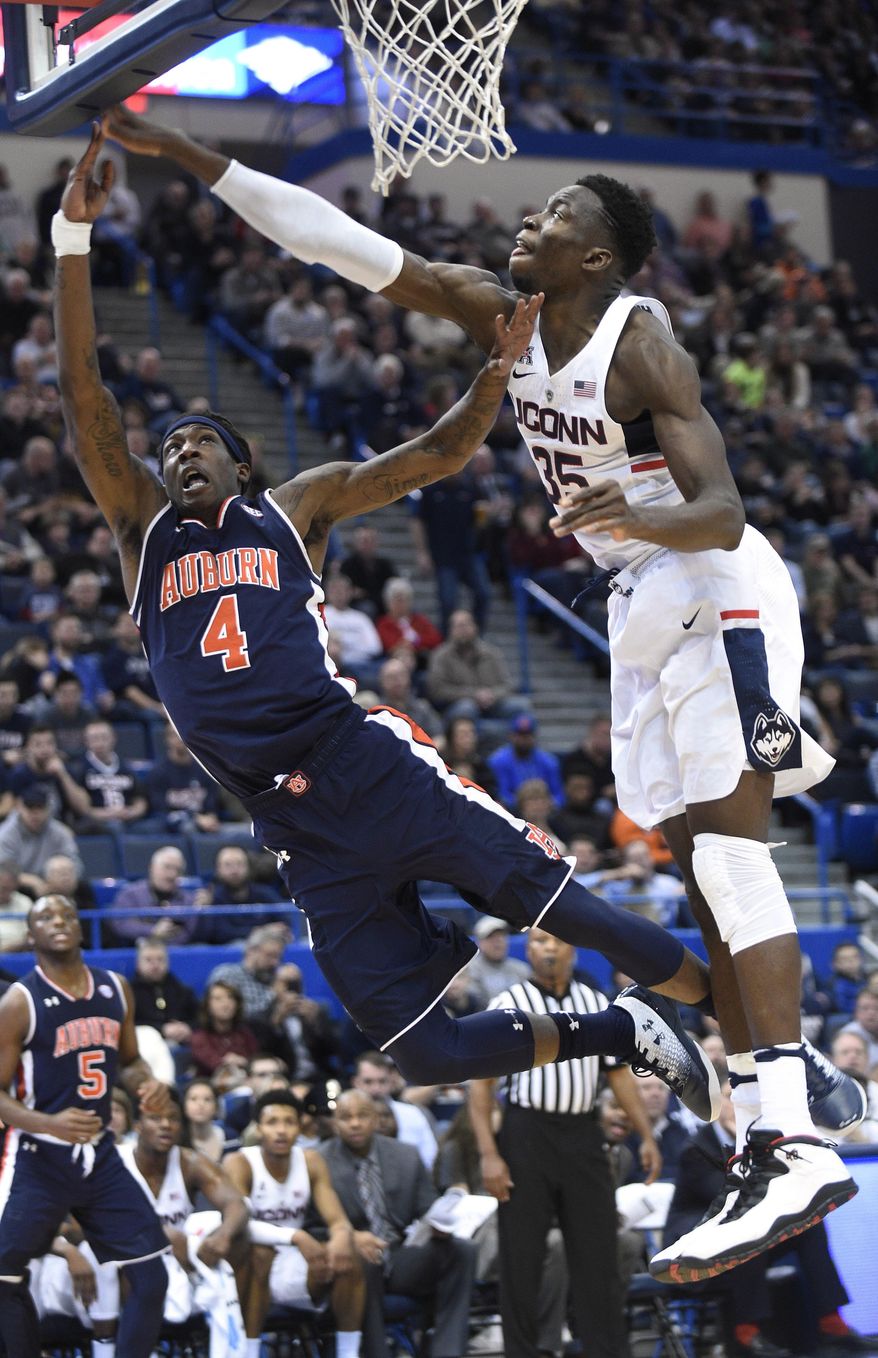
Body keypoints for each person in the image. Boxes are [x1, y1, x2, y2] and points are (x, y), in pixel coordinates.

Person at [104, 106, 866, 1276]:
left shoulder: (638, 339)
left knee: (725, 852)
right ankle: (778, 1092)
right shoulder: (501, 317)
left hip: (701, 572)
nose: (529, 215)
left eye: (554, 213)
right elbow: (337, 244)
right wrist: (191, 160)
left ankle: (796, 1128)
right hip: (634, 603)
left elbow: (722, 511)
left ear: (596, 256)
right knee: (687, 861)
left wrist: (636, 512)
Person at [61, 125, 726, 1158]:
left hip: (361, 763)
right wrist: (71, 239)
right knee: (422, 1052)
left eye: (201, 441)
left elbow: (440, 452)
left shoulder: (296, 507)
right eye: (169, 447)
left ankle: (743, 1028)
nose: (179, 451)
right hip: (295, 831)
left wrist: (494, 375)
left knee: (574, 915)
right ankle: (620, 1027)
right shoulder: (142, 531)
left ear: (240, 465)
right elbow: (84, 396)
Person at [469, 927, 661, 1358]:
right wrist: (489, 1154)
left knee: (599, 1257)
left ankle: (607, 1350)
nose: (548, 948)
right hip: (525, 1134)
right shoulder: (507, 1004)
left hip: (582, 1133)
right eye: (538, 941)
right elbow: (481, 1087)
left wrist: (646, 1135)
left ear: (572, 947)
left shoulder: (596, 1004)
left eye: (555, 940)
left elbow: (618, 1075)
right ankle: (522, 1351)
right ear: (529, 950)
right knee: (523, 1258)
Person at [0, 894, 173, 1358]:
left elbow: (131, 1062)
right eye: (45, 917)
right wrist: (49, 1122)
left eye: (67, 915)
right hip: (36, 1157)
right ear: (31, 934)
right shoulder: (19, 1002)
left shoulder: (116, 988)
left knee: (152, 1275)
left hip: (100, 1156)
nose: (58, 921)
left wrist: (147, 1084)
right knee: (4, 1276)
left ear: (80, 928)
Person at [40, 1090, 250, 1348]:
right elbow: (75, 1228)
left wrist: (223, 1235)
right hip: (119, 1265)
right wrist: (154, 1236)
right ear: (137, 1126)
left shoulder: (190, 1161)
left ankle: (238, 1346)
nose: (165, 1125)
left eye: (173, 1118)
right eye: (156, 1118)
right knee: (134, 1261)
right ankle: (119, 1347)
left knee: (242, 1239)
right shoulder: (112, 1163)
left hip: (178, 1263)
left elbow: (236, 1204)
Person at [321, 1088, 476, 1358]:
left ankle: (448, 1351)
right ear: (335, 1122)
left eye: (363, 1115)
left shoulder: (405, 1155)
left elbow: (427, 1207)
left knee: (462, 1250)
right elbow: (312, 1224)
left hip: (399, 1253)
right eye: (346, 1117)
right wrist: (351, 1238)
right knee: (363, 1261)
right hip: (354, 1259)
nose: (355, 1123)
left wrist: (440, 1225)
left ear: (377, 1120)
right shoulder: (320, 1161)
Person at [224, 1088, 364, 1358]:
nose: (281, 1131)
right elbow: (238, 1224)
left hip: (296, 1263)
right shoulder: (240, 1162)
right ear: (259, 1128)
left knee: (348, 1256)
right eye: (272, 1122)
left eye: (289, 1122)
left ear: (300, 1127)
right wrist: (295, 1237)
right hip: (249, 1265)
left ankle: (349, 1353)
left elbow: (337, 1220)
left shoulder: (310, 1160)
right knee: (260, 1253)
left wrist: (340, 1239)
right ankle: (249, 1352)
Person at [351, 1050, 439, 1170]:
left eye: (382, 1081)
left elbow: (431, 1160)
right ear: (356, 1083)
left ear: (391, 1082)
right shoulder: (348, 1120)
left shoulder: (413, 1114)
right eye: (368, 1082)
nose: (376, 1089)